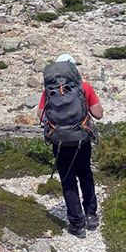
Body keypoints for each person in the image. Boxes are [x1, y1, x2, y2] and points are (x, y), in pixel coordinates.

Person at [37, 54, 103, 238]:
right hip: (81, 138)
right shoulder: (84, 87)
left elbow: (40, 116)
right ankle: (91, 215)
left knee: (68, 179)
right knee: (85, 174)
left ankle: (77, 224)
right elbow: (99, 114)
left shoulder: (49, 90)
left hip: (59, 141)